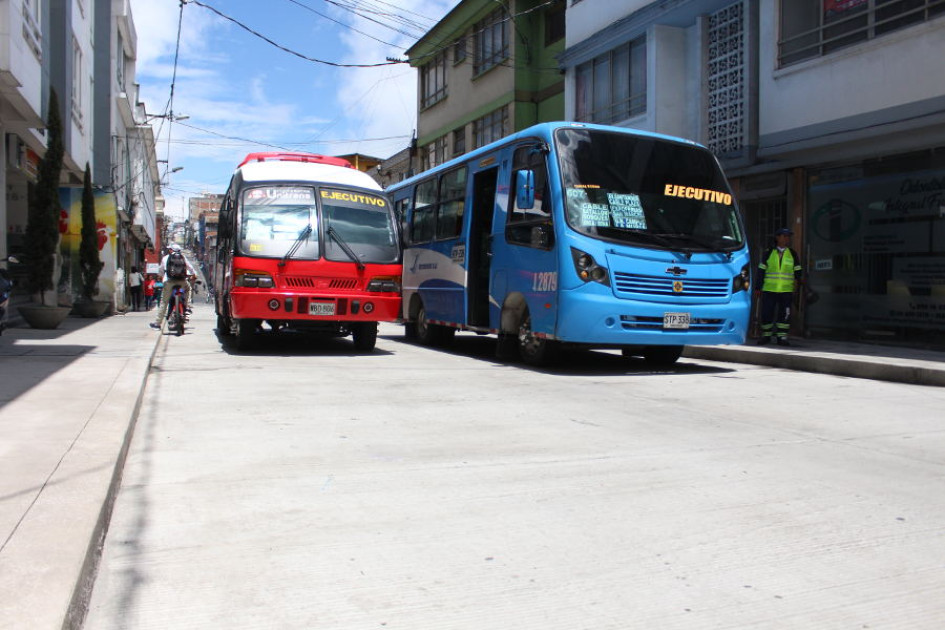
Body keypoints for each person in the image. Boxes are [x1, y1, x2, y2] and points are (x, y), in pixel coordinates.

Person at [755, 227, 803, 346]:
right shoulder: (768, 253)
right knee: (767, 313)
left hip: (786, 291)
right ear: (777, 237)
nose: (787, 239)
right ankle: (766, 336)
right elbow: (761, 271)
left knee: (785, 314)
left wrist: (800, 284)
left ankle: (782, 337)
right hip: (769, 289)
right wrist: (758, 287)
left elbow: (798, 271)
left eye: (788, 237)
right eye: (784, 236)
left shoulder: (792, 253)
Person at [150, 244, 197, 330]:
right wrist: (194, 275)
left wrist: (160, 277)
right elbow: (190, 268)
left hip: (169, 282)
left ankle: (157, 323)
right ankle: (186, 306)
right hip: (182, 282)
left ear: (171, 250)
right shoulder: (183, 257)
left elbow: (160, 271)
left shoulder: (165, 258)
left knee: (164, 302)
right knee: (188, 288)